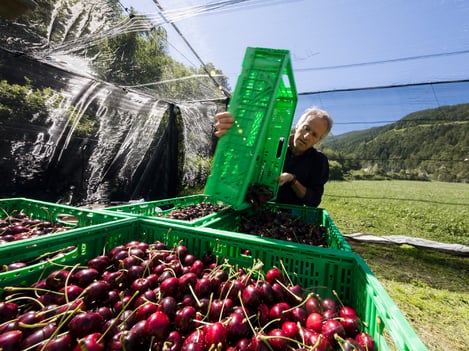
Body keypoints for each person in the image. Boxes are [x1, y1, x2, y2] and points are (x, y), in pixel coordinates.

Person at [214, 107, 333, 207]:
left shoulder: (319, 161)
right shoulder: (272, 143)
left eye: (314, 134)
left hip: (289, 216)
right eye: (306, 128)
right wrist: (232, 132)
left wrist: (292, 180)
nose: (307, 136)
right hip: (254, 205)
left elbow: (314, 200)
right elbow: (244, 152)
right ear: (297, 126)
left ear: (318, 140)